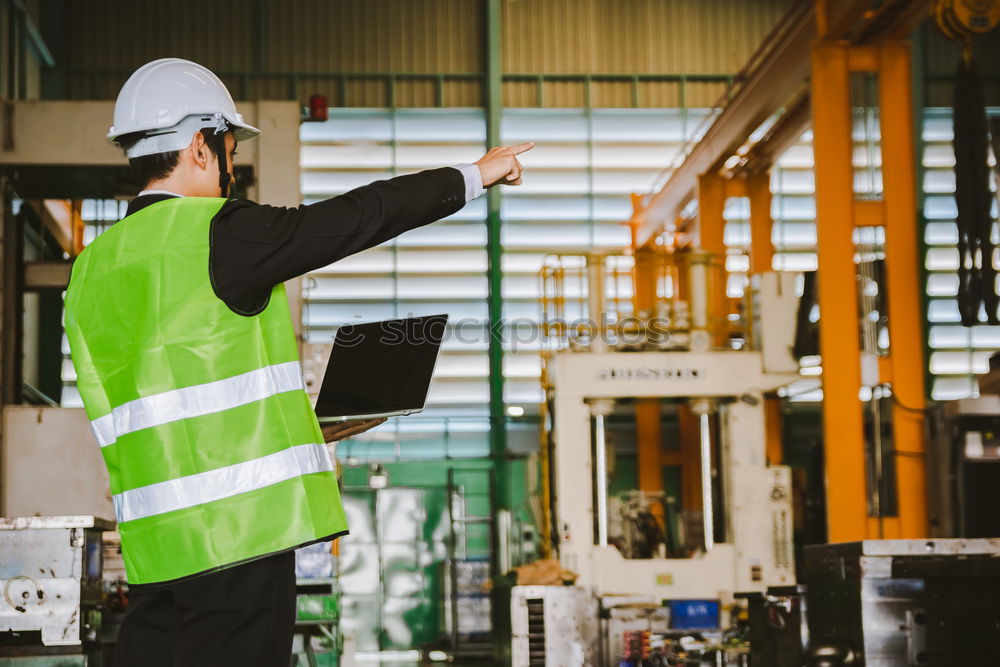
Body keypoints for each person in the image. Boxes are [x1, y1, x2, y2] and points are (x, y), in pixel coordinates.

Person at [63, 57, 532, 666]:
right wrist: (476, 172)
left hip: (156, 547)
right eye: (229, 146)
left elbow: (173, 405)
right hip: (240, 537)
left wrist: (308, 429)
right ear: (201, 146)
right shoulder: (214, 233)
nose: (232, 166)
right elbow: (356, 219)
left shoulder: (90, 271)